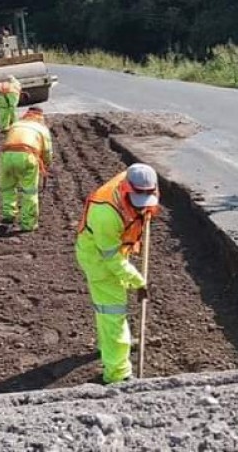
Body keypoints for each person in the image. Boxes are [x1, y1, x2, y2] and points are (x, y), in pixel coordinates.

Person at [74, 164, 160, 384]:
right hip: (99, 260)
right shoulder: (105, 214)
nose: (140, 206)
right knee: (113, 312)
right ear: (125, 189)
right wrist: (138, 281)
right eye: (136, 200)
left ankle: (108, 347)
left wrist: (147, 209)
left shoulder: (143, 179)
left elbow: (149, 196)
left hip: (114, 250)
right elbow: (112, 260)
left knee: (107, 310)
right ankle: (118, 375)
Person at [0, 107, 52, 231]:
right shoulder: (42, 129)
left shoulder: (16, 125)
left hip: (6, 156)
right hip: (27, 156)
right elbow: (47, 151)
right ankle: (28, 224)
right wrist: (46, 164)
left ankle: (8, 215)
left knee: (8, 187)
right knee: (29, 191)